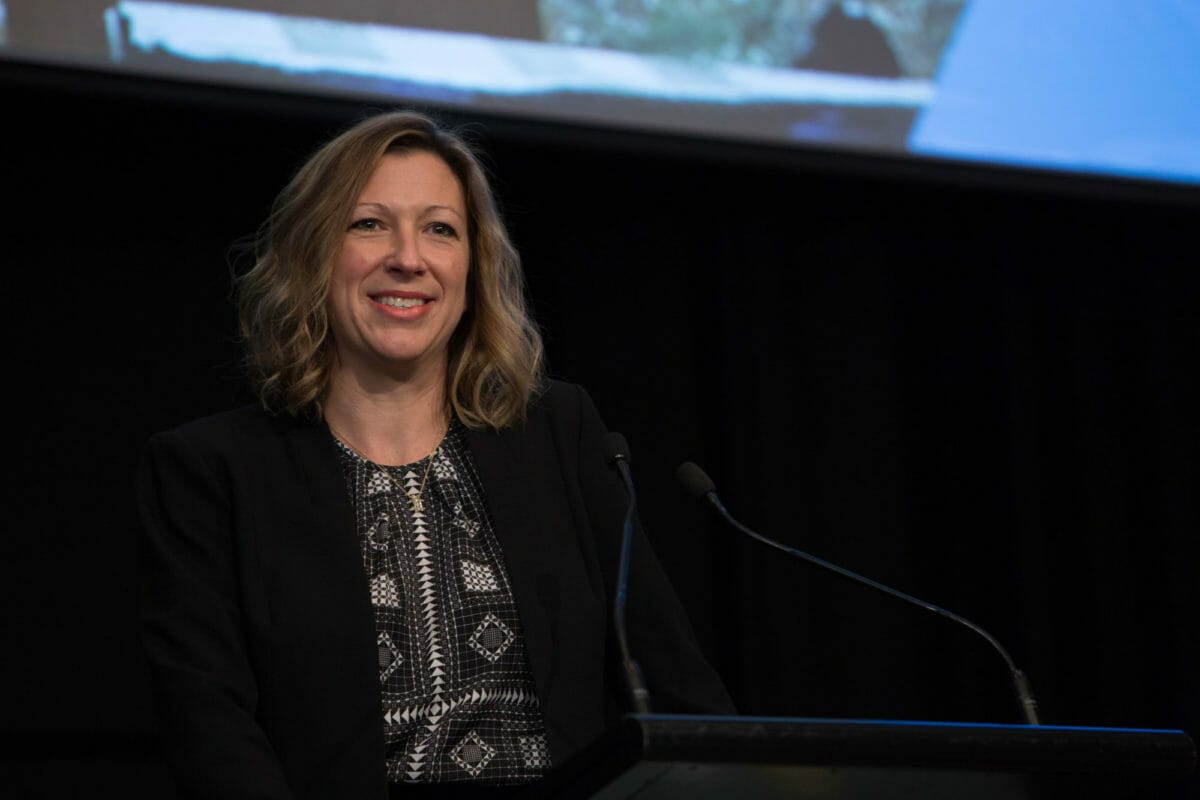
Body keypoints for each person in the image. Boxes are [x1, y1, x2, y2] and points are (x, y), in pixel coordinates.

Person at [136, 108, 736, 800]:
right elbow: (210, 730)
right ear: (312, 254)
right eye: (369, 224)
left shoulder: (559, 432)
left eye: (440, 229)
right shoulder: (211, 470)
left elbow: (675, 683)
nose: (408, 258)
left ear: (473, 268)